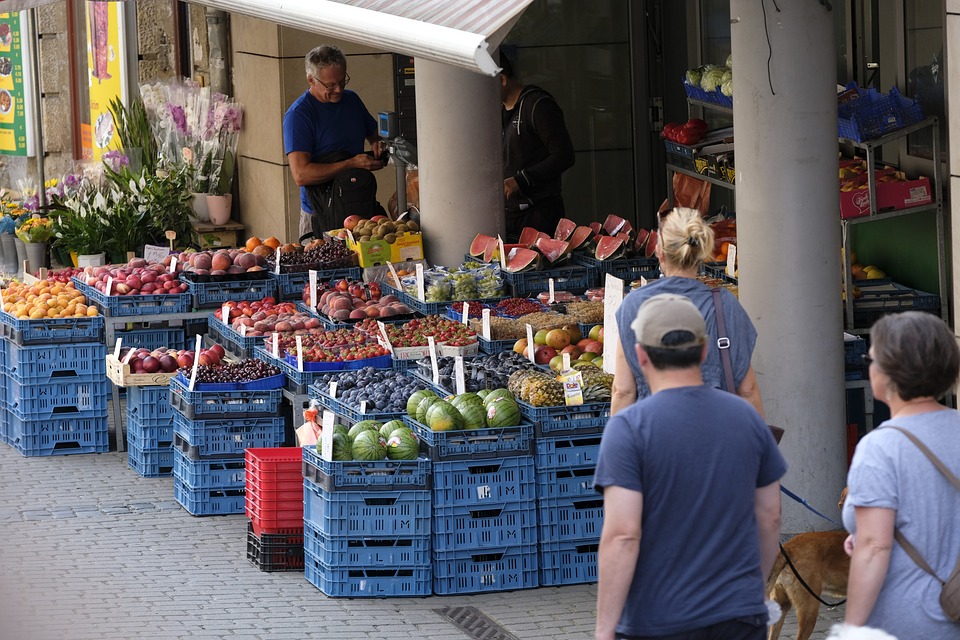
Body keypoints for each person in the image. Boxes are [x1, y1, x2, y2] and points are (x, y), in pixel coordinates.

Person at [594, 293, 786, 640]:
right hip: (737, 615)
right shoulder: (747, 419)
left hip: (657, 617)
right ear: (703, 351)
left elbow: (622, 535)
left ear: (640, 356)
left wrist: (605, 628)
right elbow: (770, 516)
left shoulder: (628, 429)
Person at [842, 311, 960, 638]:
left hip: (909, 619)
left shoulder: (881, 446)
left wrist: (851, 630)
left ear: (890, 372)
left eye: (872, 357)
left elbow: (874, 547)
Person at [610, 206, 763, 416]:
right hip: (718, 440)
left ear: (659, 252)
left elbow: (623, 391)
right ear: (702, 253)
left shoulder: (634, 305)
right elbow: (748, 391)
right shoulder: (725, 305)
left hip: (656, 438)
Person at [283, 44, 386, 240]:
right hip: (320, 212)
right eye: (330, 86)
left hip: (358, 205)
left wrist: (377, 145)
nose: (338, 89)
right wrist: (352, 163)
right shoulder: (299, 115)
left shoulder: (352, 100)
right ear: (311, 79)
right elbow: (301, 175)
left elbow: (374, 135)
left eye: (342, 81)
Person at [500, 51, 575, 241]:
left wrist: (520, 180)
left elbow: (564, 155)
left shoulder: (538, 105)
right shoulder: (498, 111)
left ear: (502, 80)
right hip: (510, 216)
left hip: (540, 216)